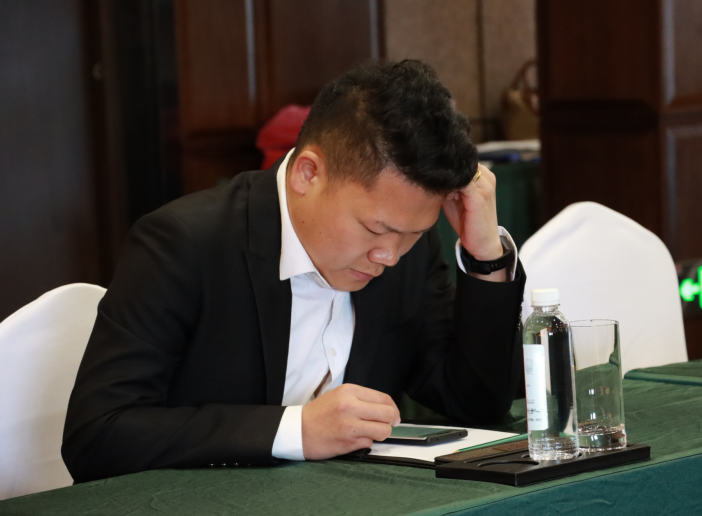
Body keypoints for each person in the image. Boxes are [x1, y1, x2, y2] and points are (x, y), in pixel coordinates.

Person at [62, 59, 526, 483]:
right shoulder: (184, 244)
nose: (389, 256)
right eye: (374, 228)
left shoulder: (407, 244)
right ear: (308, 173)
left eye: (413, 234)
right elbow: (97, 435)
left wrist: (486, 257)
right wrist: (294, 430)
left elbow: (476, 404)